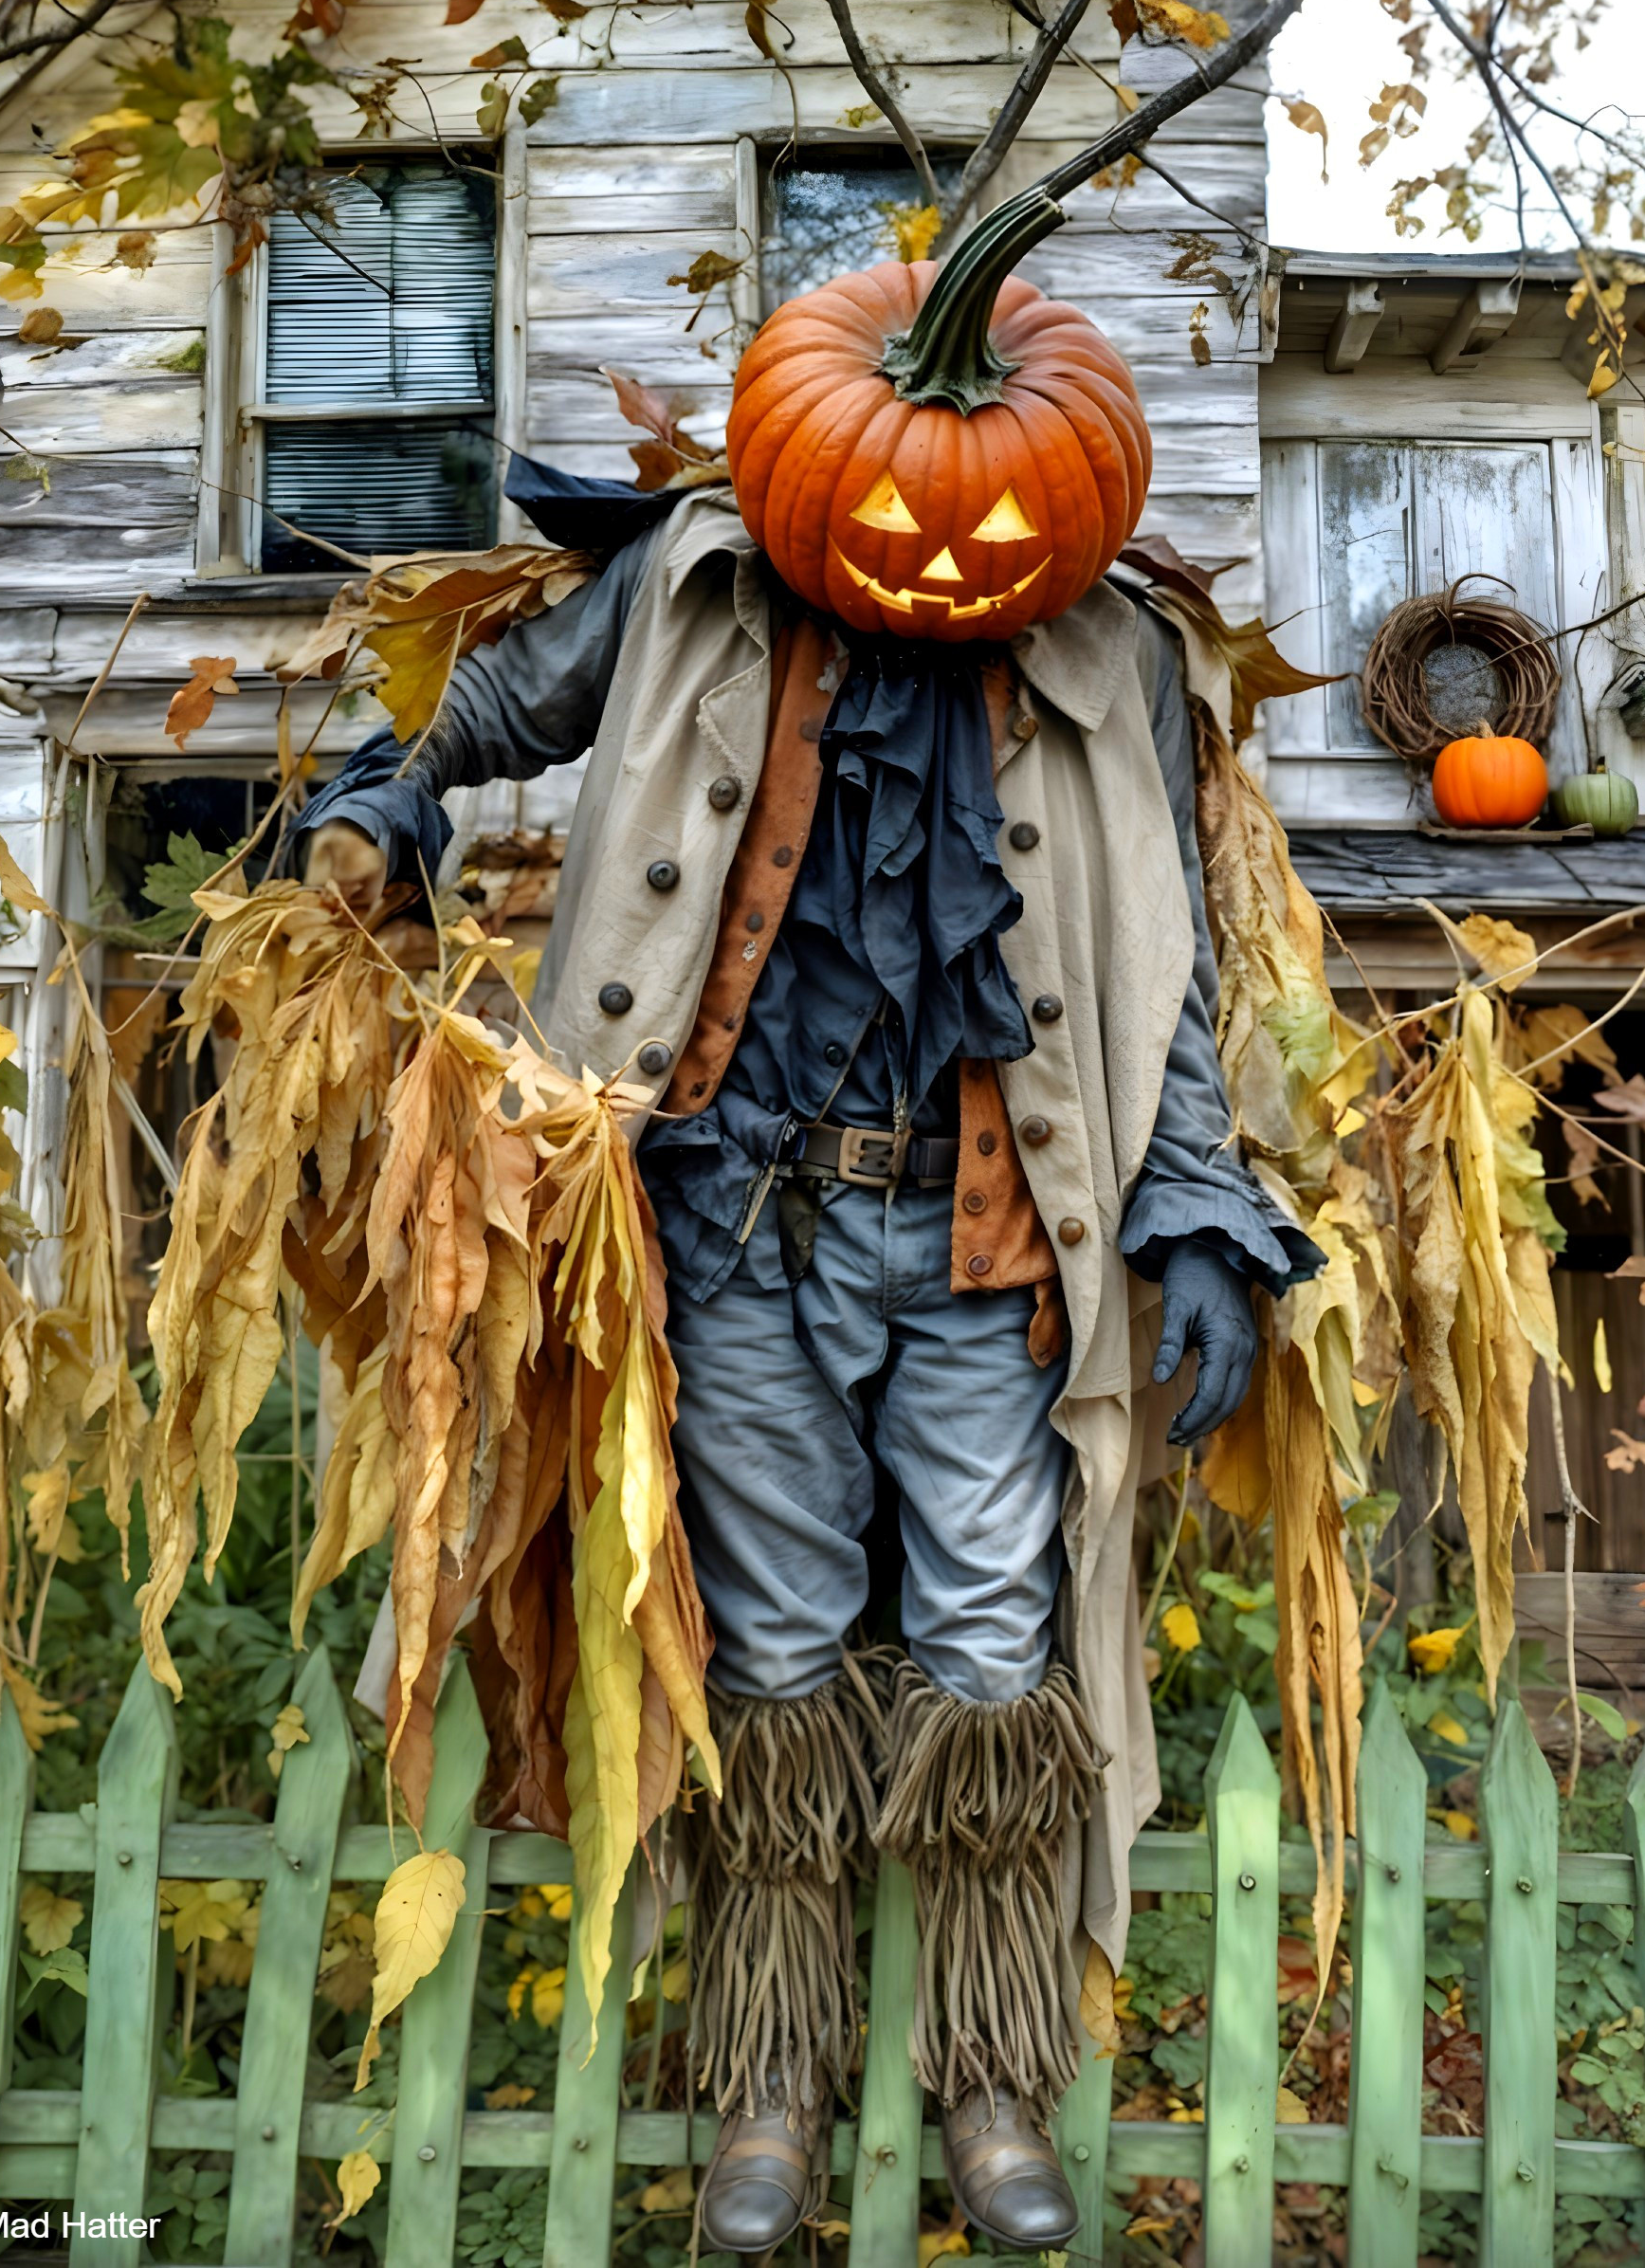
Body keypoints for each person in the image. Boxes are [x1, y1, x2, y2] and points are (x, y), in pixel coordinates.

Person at [299, 482, 1317, 2253]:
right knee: (767, 1653)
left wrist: (1200, 1197)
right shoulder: (697, 581)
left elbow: (1171, 969)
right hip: (733, 1216)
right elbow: (489, 704)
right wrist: (389, 791)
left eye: (985, 506)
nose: (941, 547)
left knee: (995, 1647)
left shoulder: (1101, 643)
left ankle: (988, 2078)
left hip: (988, 1228)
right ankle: (771, 2075)